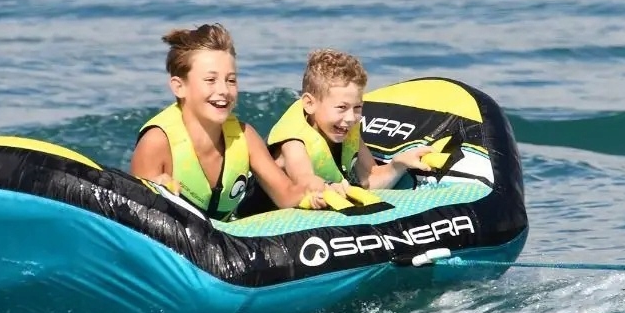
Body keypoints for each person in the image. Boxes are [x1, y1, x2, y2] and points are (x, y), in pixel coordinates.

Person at [130, 24, 332, 220]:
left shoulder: (244, 137)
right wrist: (155, 192)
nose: (224, 90)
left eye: (231, 80)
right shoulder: (157, 143)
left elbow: (286, 195)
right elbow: (134, 222)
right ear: (179, 87)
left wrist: (321, 191)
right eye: (210, 80)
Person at [268, 48, 436, 194]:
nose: (351, 118)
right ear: (310, 104)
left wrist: (398, 164)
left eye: (357, 107)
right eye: (342, 107)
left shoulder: (345, 129)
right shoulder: (293, 143)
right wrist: (326, 188)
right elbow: (304, 181)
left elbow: (369, 180)